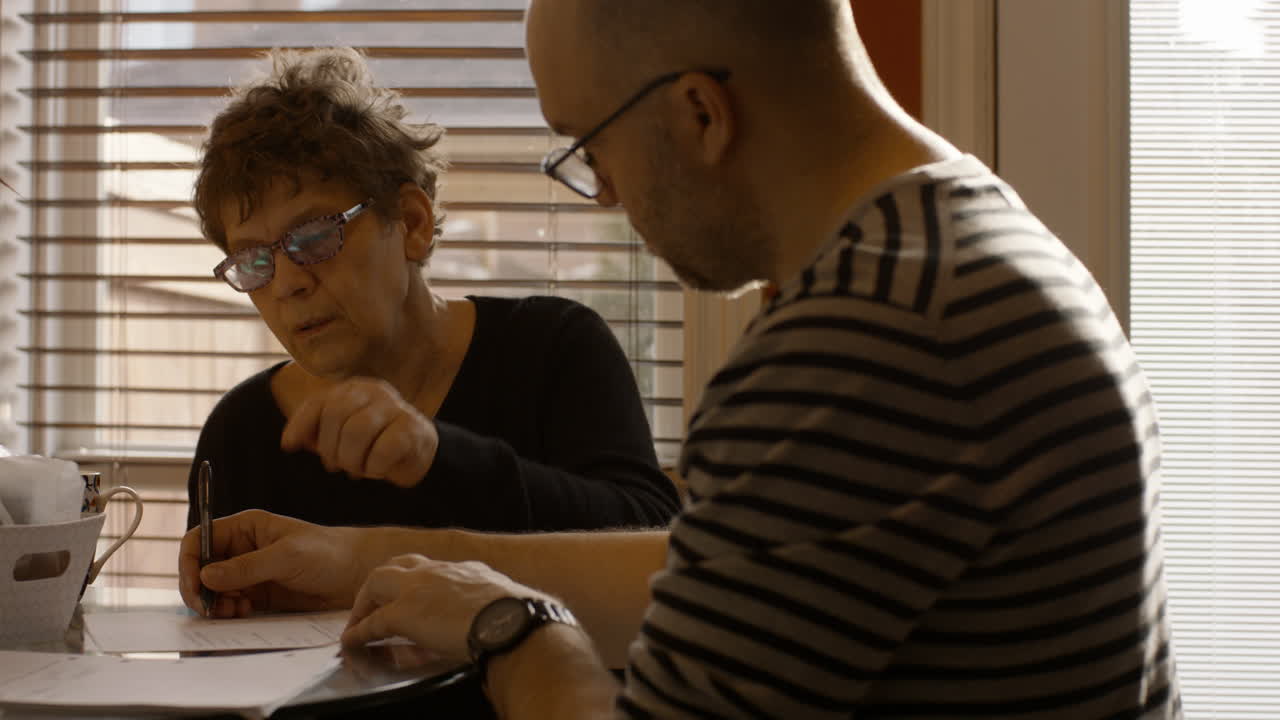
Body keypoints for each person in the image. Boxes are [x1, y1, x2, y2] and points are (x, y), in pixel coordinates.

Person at [179, 2, 1182, 718]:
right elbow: (721, 571)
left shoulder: (856, 345)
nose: (603, 192)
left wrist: (509, 630)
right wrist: (360, 560)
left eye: (587, 143)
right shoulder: (962, 248)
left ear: (698, 111)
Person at [186, 47, 679, 534]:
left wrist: (439, 456)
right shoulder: (240, 433)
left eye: (314, 236)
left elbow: (652, 538)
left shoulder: (553, 349)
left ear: (411, 222)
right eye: (254, 261)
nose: (289, 283)